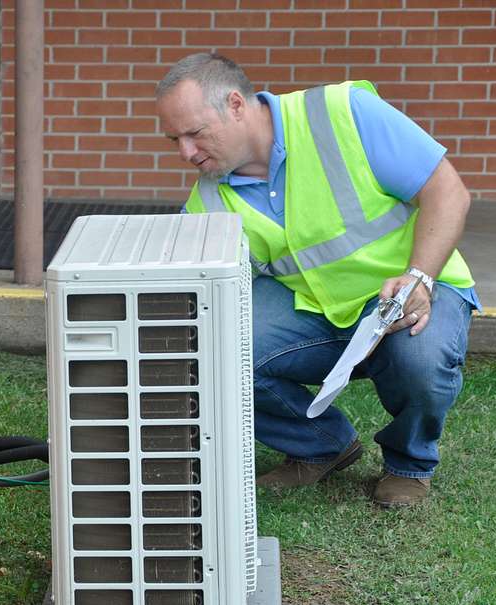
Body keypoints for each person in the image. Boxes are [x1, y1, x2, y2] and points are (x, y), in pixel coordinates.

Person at [155, 54, 478, 507]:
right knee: (205, 349)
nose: (185, 153)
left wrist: (418, 277)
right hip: (317, 309)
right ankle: (322, 446)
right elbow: (192, 292)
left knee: (421, 361)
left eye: (194, 134)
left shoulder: (342, 113)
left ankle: (408, 464)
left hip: (416, 288)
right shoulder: (208, 199)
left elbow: (447, 192)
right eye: (174, 139)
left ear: (235, 105)